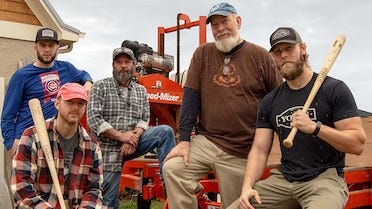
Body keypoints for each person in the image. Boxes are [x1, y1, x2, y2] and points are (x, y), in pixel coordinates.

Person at [227, 27, 367, 209]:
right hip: (284, 179)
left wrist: (316, 128)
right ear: (273, 58)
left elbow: (357, 144)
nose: (283, 55)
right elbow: (260, 149)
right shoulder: (270, 101)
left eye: (289, 48)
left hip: (324, 180)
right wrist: (246, 187)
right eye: (278, 51)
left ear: (303, 49)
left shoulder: (334, 89)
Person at [162, 3, 283, 209]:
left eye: (224, 21)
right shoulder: (202, 54)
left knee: (238, 204)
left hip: (242, 148)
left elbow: (279, 100)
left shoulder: (260, 56)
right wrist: (183, 140)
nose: (219, 28)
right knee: (173, 169)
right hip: (207, 141)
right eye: (214, 25)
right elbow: (190, 98)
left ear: (238, 21)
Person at [87, 47, 176, 209]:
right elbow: (94, 119)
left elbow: (144, 118)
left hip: (134, 143)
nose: (123, 66)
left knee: (165, 132)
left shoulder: (140, 91)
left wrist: (133, 137)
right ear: (113, 65)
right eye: (119, 62)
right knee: (107, 202)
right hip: (107, 151)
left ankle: (170, 187)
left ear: (134, 65)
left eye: (127, 62)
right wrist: (123, 137)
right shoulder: (100, 87)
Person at [11, 83, 105, 209]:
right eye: (70, 102)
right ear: (57, 104)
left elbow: (93, 190)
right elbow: (21, 187)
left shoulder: (92, 146)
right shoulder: (32, 136)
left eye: (80, 103)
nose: (75, 107)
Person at [2, 27, 93, 156]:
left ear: (57, 47)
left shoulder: (66, 69)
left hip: (55, 139)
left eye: (51, 45)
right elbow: (8, 115)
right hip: (27, 139)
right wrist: (11, 145)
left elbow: (84, 75)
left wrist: (87, 85)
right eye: (42, 45)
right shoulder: (21, 76)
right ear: (35, 47)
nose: (47, 50)